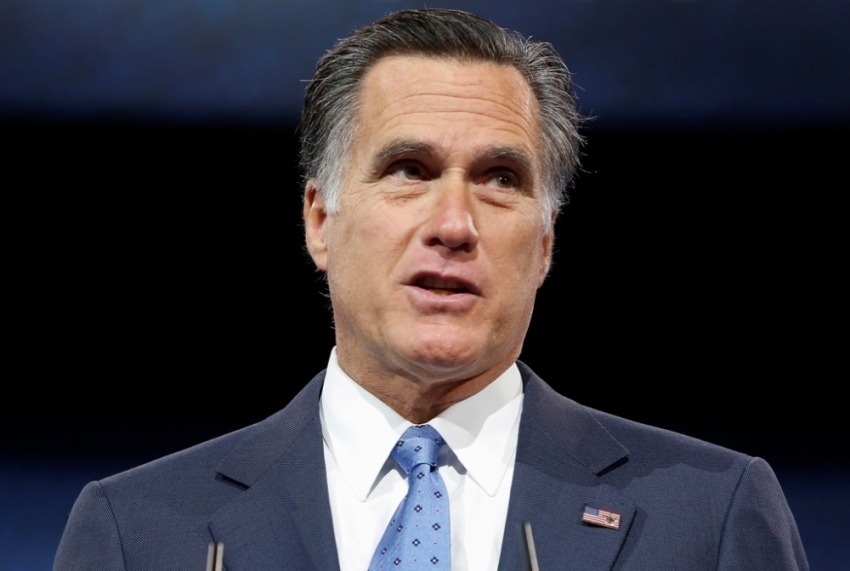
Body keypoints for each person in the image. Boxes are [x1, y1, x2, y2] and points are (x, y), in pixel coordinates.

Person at [55, 9, 808, 571]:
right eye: (409, 169)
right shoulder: (139, 530)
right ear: (321, 220)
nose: (454, 223)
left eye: (500, 179)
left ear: (544, 244)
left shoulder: (710, 514)